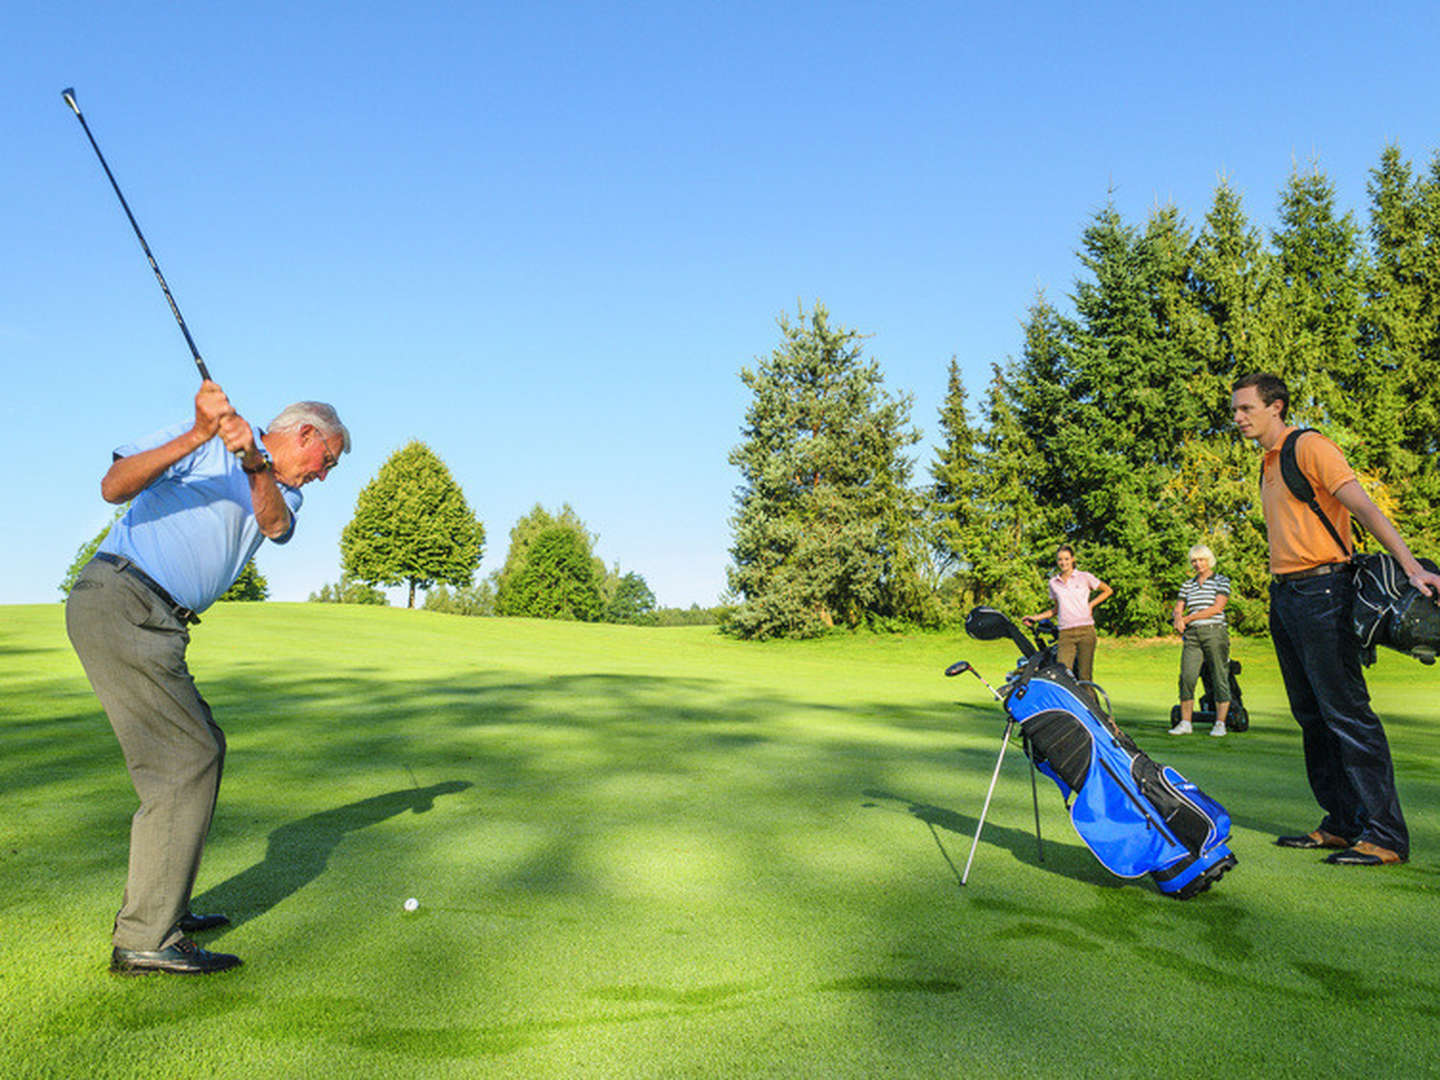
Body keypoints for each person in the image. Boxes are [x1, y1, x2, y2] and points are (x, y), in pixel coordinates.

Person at [66, 380, 350, 973]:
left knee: (202, 748)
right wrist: (199, 435)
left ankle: (163, 905)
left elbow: (274, 526)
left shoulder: (283, 491)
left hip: (158, 620)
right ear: (306, 436)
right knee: (186, 759)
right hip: (123, 598)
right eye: (329, 459)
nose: (325, 474)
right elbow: (112, 486)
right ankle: (147, 938)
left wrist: (253, 465)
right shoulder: (200, 445)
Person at [1232, 372, 1440, 867]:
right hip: (1286, 595)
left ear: (1276, 406)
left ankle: (1386, 834)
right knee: (1311, 716)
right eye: (1235, 410)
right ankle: (1343, 823)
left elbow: (1365, 508)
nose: (1237, 418)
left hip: (1325, 591)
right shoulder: (1267, 461)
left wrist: (1411, 568)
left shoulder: (1309, 447)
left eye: (1246, 409)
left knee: (1346, 712)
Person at [1022, 544, 1113, 683]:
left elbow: (1107, 590)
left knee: (1084, 677)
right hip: (1065, 634)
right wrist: (1035, 618)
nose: (1063, 562)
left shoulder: (1084, 577)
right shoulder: (1053, 583)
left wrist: (1091, 604)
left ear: (1073, 559)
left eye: (1066, 559)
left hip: (1086, 631)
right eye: (1060, 560)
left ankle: (1091, 704)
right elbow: (1056, 609)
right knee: (1062, 676)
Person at [1170, 545, 1231, 737]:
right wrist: (1178, 617)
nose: (1198, 564)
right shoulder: (1188, 584)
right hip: (1193, 636)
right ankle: (1186, 722)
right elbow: (1179, 606)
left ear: (1209, 560)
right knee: (1187, 677)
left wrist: (1187, 619)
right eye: (1194, 561)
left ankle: (1220, 723)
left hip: (1214, 632)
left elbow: (1217, 608)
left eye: (1201, 560)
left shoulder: (1221, 580)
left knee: (1219, 676)